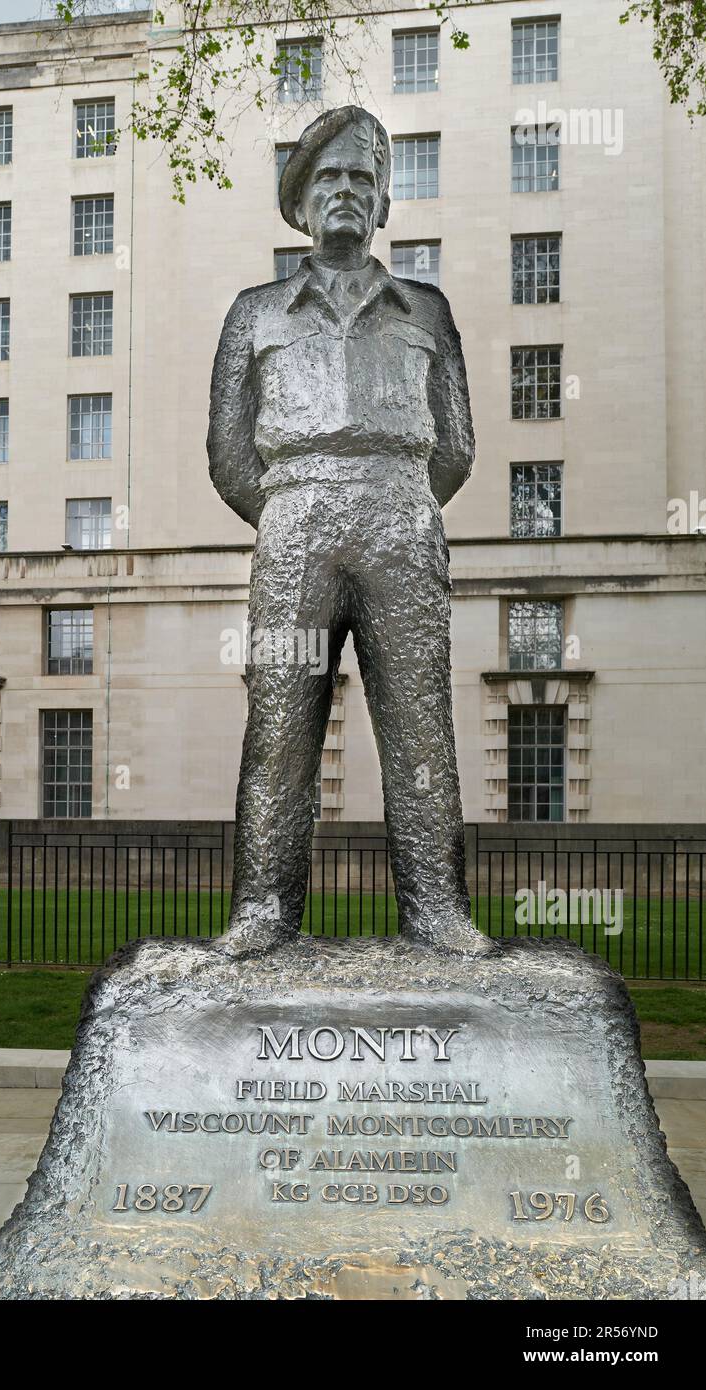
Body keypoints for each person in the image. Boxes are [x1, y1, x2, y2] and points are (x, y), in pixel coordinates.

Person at [207, 105, 492, 957]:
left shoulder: (426, 310)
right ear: (299, 205)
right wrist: (295, 506)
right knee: (280, 721)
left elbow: (457, 445)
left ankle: (436, 910)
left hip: (401, 515)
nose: (344, 194)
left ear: (382, 205)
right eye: (327, 179)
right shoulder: (254, 313)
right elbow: (228, 451)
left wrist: (392, 495)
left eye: (360, 181)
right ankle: (263, 910)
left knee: (418, 721)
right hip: (292, 520)